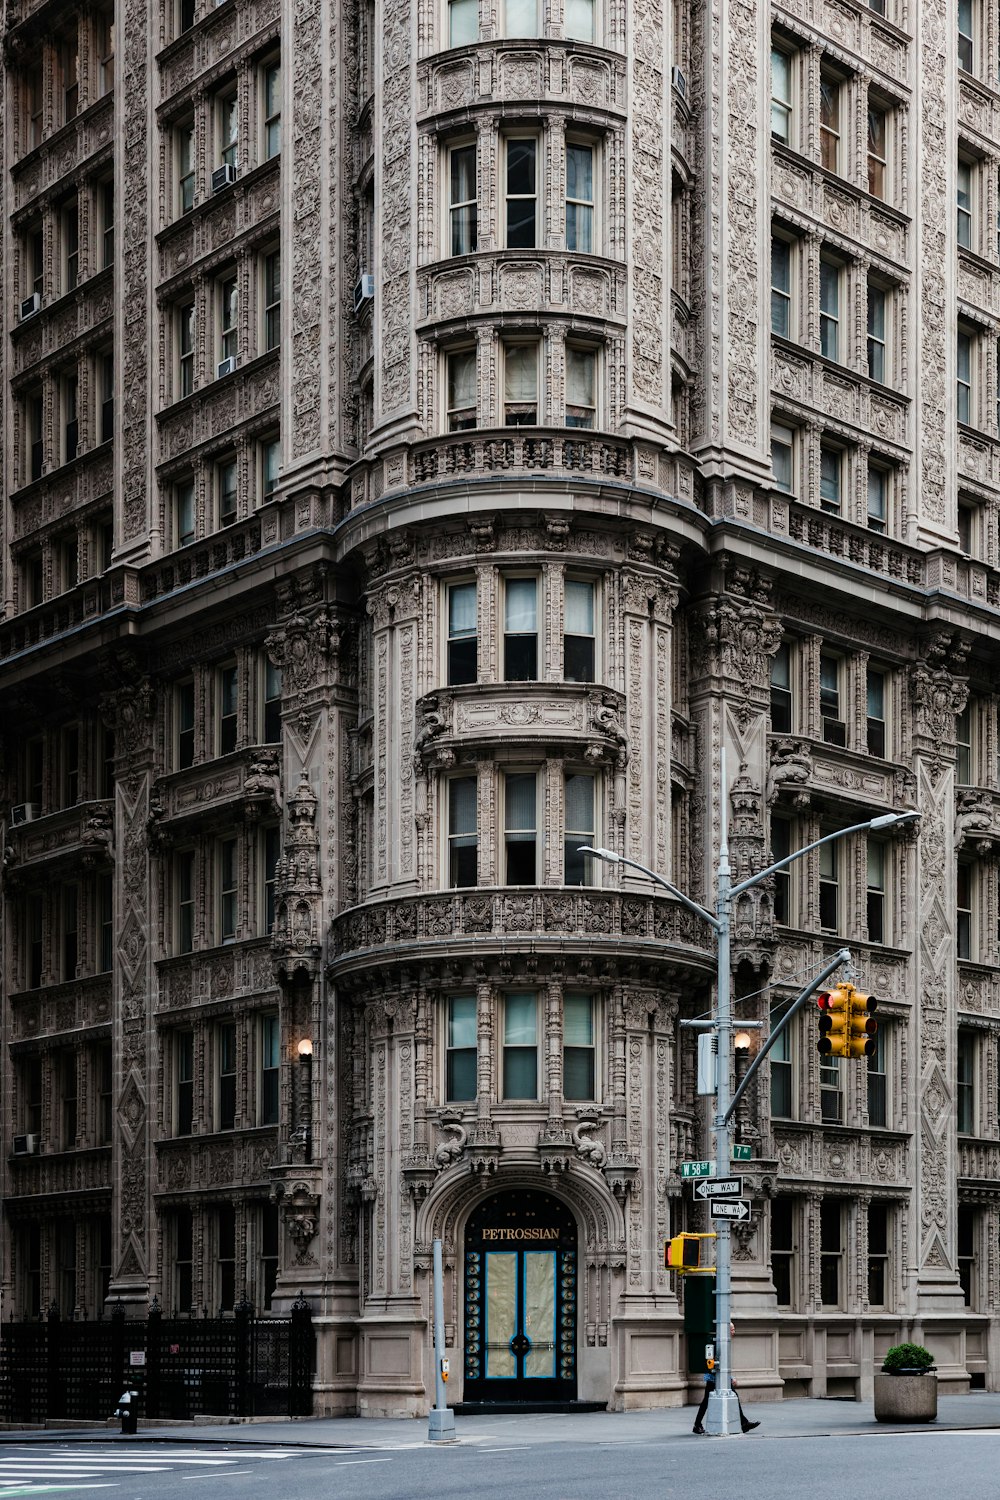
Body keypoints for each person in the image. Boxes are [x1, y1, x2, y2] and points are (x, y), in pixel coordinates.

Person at [693, 1322, 760, 1434]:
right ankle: (743, 1423)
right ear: (725, 1331)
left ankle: (697, 1424)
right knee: (713, 1400)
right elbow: (718, 1365)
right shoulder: (719, 1343)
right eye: (732, 1329)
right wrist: (730, 1379)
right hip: (714, 1378)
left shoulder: (724, 1343)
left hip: (717, 1378)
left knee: (707, 1401)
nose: (734, 1332)